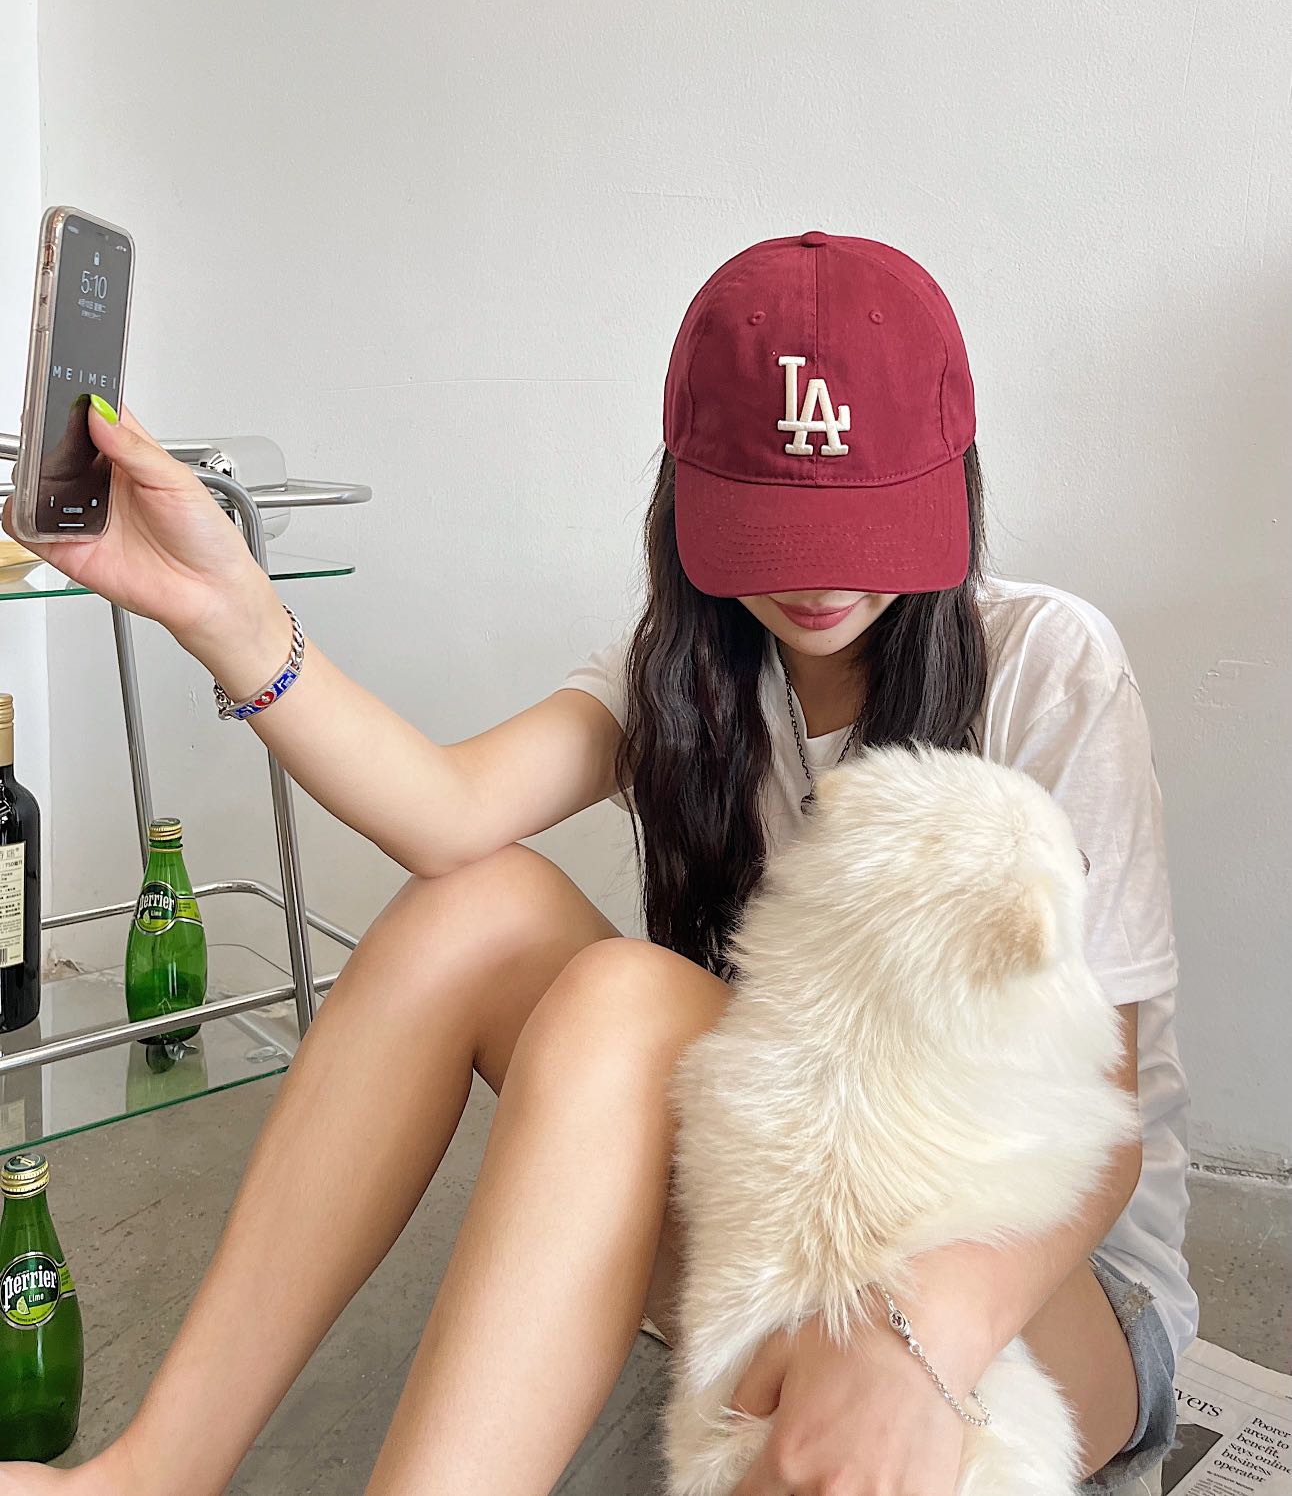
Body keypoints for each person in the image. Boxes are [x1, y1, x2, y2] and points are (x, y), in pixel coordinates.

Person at [0, 232, 1193, 1496]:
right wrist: (224, 613)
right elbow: (446, 810)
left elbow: (1096, 1131)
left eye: (858, 518)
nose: (817, 574)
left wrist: (909, 1340)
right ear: (689, 501)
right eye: (772, 525)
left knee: (622, 993)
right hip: (792, 1217)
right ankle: (149, 1476)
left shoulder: (1046, 665)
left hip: (1026, 1281)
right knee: (477, 905)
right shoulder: (687, 670)